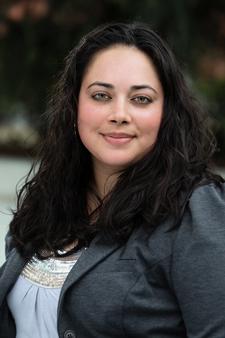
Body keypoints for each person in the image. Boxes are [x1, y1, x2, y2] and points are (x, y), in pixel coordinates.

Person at [0, 21, 225, 338]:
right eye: (101, 95)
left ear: (167, 112)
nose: (119, 113)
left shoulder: (194, 210)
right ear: (74, 104)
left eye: (141, 99)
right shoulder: (44, 205)